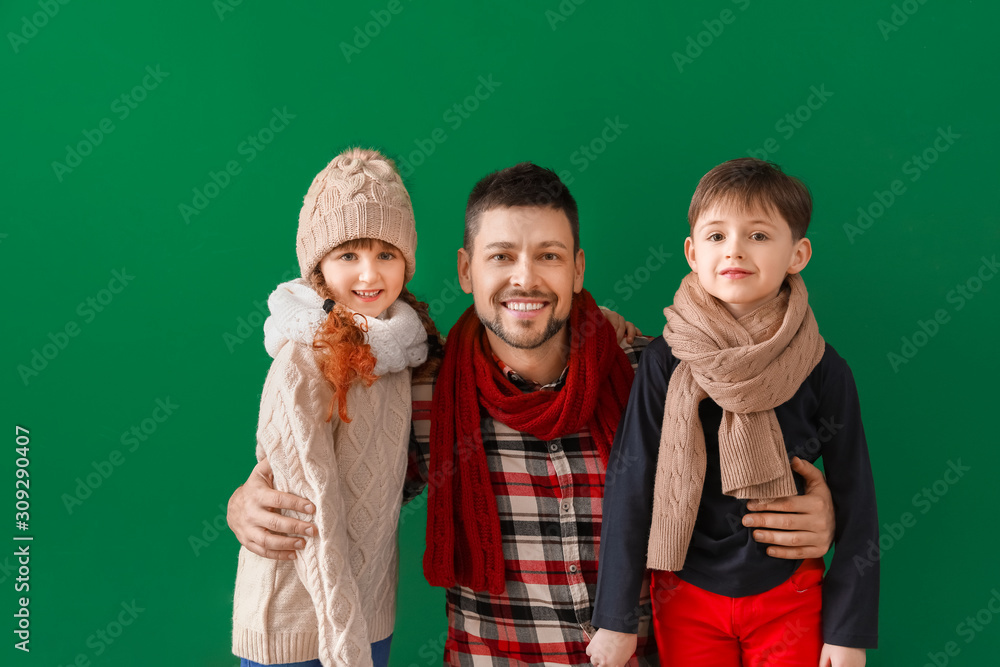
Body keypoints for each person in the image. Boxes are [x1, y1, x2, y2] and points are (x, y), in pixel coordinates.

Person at [228, 162, 838, 665]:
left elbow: (741, 478)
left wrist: (815, 513)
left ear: (577, 270)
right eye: (501, 257)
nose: (525, 277)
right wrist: (250, 498)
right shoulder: (419, 393)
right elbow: (339, 476)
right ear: (467, 271)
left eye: (548, 256)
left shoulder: (658, 378)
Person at [586, 158, 878, 667]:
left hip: (790, 589)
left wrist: (847, 632)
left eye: (759, 235)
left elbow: (857, 500)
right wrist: (614, 620)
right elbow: (631, 486)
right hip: (684, 590)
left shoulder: (823, 367)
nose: (735, 249)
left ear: (798, 254)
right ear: (692, 253)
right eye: (717, 236)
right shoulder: (665, 360)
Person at [231, 148, 440, 667]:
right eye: (348, 255)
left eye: (386, 255)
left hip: (366, 615)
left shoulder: (401, 348)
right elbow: (312, 516)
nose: (369, 275)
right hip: (301, 619)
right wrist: (345, 646)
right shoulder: (306, 361)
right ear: (319, 266)